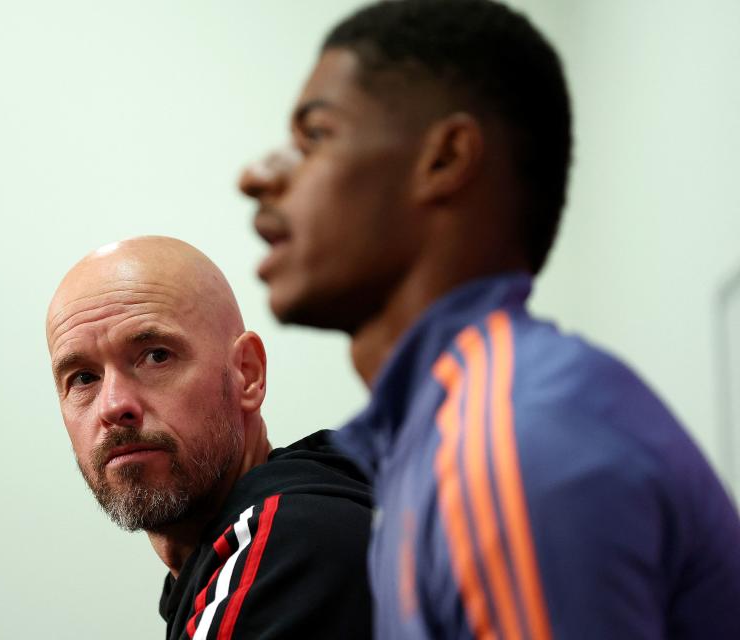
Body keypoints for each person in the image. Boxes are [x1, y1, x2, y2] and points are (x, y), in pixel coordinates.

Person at [239, 1, 740, 638]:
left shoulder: (508, 438)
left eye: (315, 136)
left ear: (444, 159)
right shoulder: (441, 440)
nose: (255, 176)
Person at [44, 236, 372, 639]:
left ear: (247, 374)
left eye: (156, 355)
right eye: (83, 378)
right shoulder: (210, 572)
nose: (113, 406)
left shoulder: (289, 541)